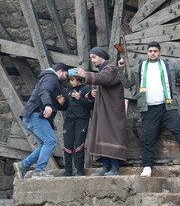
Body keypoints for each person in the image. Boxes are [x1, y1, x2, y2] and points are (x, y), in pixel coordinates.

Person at [118, 41, 180, 177]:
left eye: (155, 51)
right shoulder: (139, 68)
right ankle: (147, 167)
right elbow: (127, 83)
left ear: (160, 53)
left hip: (167, 106)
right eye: (150, 51)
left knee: (179, 130)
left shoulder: (169, 66)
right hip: (148, 109)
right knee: (148, 138)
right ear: (147, 53)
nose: (153, 53)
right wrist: (121, 68)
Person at [76, 47, 127, 176]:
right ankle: (105, 168)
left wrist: (85, 75)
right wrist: (92, 94)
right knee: (103, 136)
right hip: (103, 110)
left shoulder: (110, 68)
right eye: (91, 58)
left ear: (101, 57)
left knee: (112, 136)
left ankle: (114, 168)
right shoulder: (102, 71)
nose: (92, 60)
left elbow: (104, 78)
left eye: (94, 57)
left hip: (112, 111)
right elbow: (100, 82)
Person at [13, 63, 68, 178]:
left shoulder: (50, 79)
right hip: (35, 115)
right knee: (51, 141)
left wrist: (61, 104)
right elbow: (44, 92)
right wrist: (48, 105)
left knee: (45, 143)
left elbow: (52, 99)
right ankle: (39, 170)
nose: (66, 77)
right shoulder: (51, 78)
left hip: (29, 116)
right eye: (66, 74)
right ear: (60, 71)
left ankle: (23, 165)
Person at [57, 74, 93, 176]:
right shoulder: (68, 90)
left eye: (73, 80)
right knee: (67, 145)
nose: (71, 82)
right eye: (69, 80)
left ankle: (80, 170)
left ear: (79, 79)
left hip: (81, 120)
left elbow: (90, 106)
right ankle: (68, 170)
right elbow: (66, 108)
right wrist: (61, 103)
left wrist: (79, 98)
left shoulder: (86, 89)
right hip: (69, 120)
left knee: (79, 145)